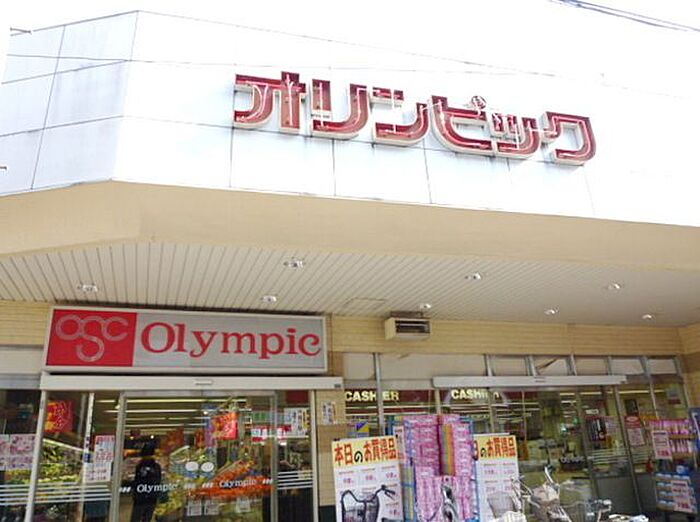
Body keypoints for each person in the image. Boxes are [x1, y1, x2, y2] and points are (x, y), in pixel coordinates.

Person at [130, 442, 162, 522]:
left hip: (141, 496)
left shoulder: (140, 466)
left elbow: (136, 480)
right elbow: (158, 480)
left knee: (136, 516)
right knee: (147, 517)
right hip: (151, 495)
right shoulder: (156, 466)